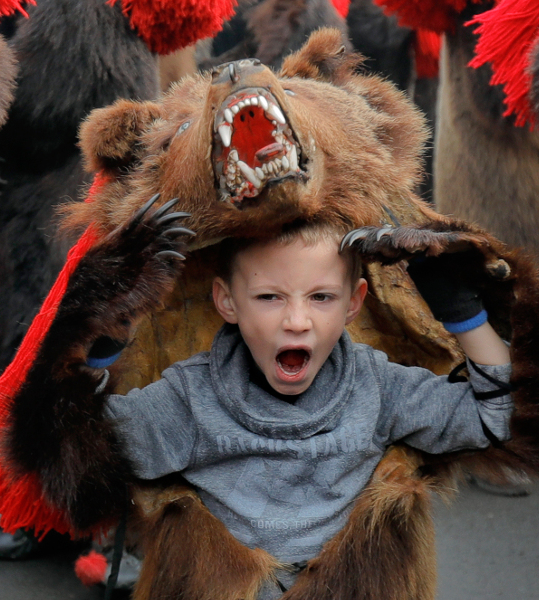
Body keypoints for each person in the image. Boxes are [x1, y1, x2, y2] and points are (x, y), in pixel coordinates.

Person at [84, 220, 513, 597]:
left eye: (321, 297)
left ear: (354, 301)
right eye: (270, 297)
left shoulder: (377, 387)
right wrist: (105, 331)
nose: (297, 321)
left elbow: (492, 416)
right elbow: (84, 447)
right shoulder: (191, 399)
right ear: (227, 301)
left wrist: (463, 312)